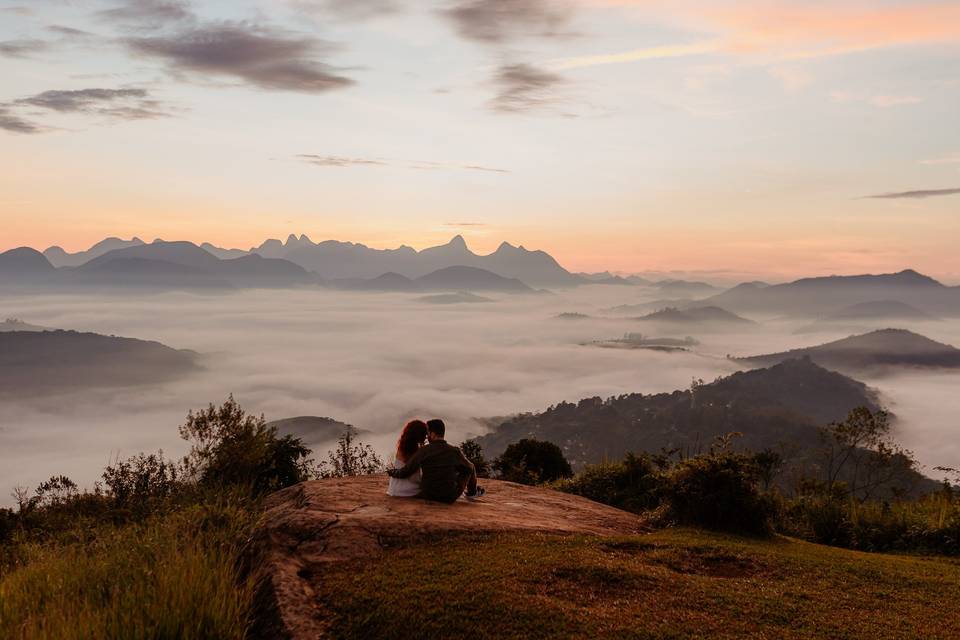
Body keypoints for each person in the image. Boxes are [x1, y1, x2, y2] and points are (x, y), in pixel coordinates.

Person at [387, 418, 486, 503]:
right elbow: (470, 468)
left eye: (428, 433)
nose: (427, 436)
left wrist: (393, 472)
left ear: (433, 434)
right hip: (449, 497)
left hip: (427, 494)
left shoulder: (423, 451)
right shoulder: (453, 451)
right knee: (468, 467)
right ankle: (472, 493)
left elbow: (407, 470)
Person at [387, 419, 429, 497]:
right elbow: (413, 477)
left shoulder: (402, 447)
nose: (426, 437)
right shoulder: (416, 451)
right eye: (425, 434)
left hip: (394, 488)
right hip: (408, 490)